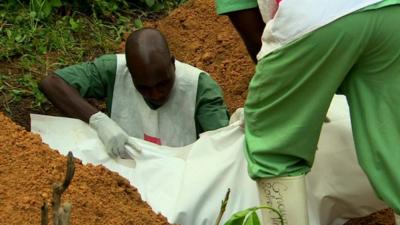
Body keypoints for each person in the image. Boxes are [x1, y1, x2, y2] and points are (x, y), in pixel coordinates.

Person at [215, 0, 400, 224]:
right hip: (390, 11)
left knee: (273, 147)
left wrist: (295, 104)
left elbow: (253, 33)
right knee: (392, 135)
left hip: (310, 18)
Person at [39, 28, 230, 158]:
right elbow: (52, 83)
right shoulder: (113, 70)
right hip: (127, 172)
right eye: (144, 88)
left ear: (172, 64)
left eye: (162, 84)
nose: (155, 94)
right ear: (129, 72)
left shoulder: (199, 88)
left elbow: (221, 148)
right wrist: (98, 120)